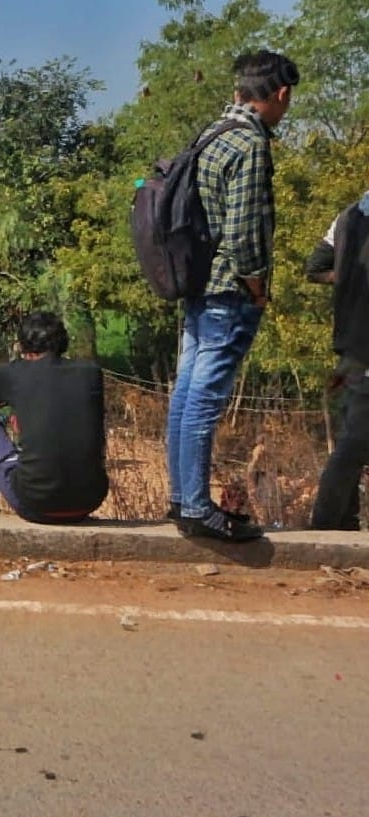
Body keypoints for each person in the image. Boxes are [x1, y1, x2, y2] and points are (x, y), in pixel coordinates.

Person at [166, 50, 298, 542]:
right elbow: (244, 234)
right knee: (204, 399)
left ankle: (183, 500)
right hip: (229, 290)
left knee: (186, 392)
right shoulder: (250, 143)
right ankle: (199, 510)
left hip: (198, 285)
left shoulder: (210, 135)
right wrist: (258, 288)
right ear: (280, 94)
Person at [0, 312, 109, 524]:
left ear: (24, 348)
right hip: (89, 500)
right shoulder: (91, 373)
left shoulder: (15, 373)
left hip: (35, 504)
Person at [303, 192, 369, 530]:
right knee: (356, 439)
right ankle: (327, 523)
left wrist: (343, 277)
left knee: (352, 434)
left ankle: (344, 522)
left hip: (348, 342)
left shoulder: (345, 217)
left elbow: (314, 269)